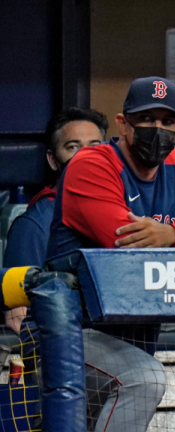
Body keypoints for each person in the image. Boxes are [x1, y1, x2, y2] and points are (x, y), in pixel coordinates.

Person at [46, 76, 175, 431]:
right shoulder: (92, 164)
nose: (156, 129)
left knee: (137, 380)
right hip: (68, 332)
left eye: (166, 121)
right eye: (146, 119)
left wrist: (171, 233)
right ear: (123, 123)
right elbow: (127, 245)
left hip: (131, 337)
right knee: (145, 379)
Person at [2, 107, 108, 429]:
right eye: (73, 147)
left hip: (114, 360)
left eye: (95, 146)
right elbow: (17, 320)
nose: (85, 156)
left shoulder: (116, 215)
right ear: (53, 159)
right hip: (61, 372)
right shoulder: (36, 221)